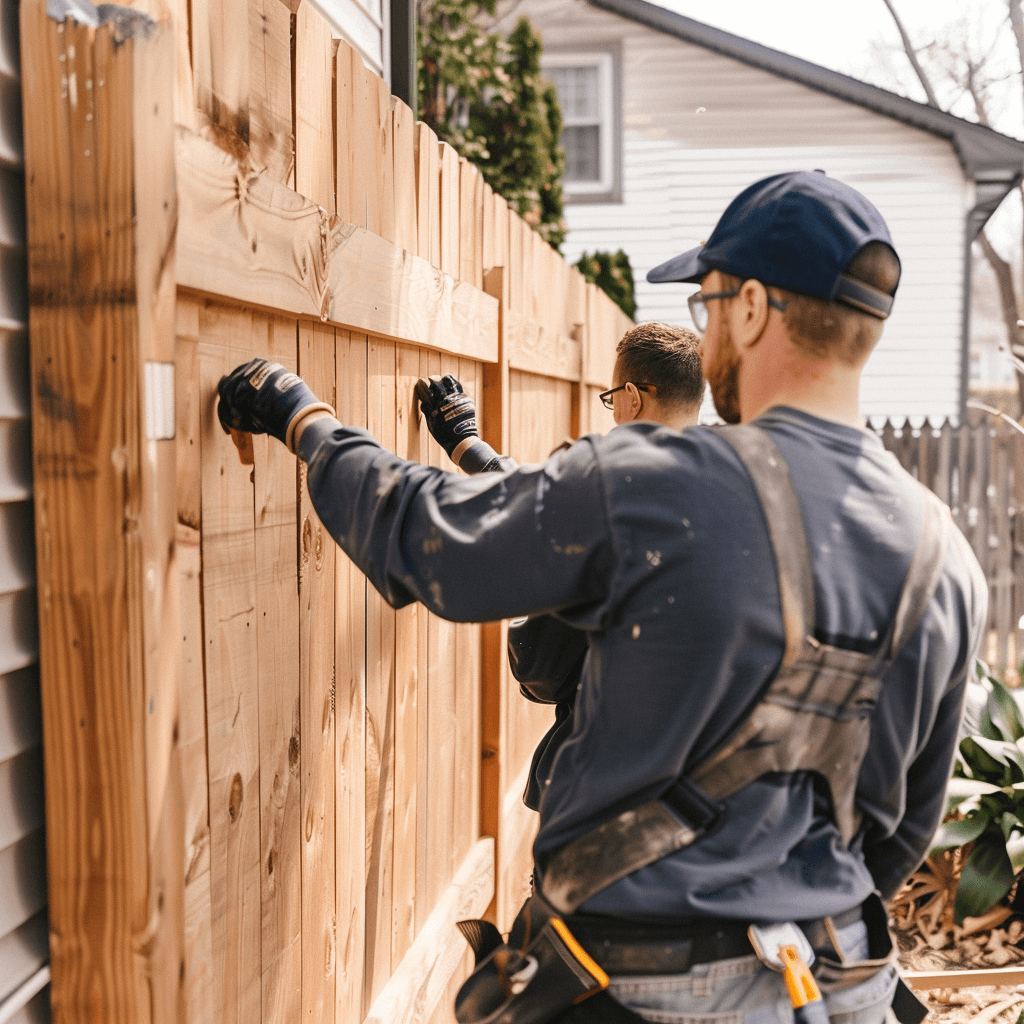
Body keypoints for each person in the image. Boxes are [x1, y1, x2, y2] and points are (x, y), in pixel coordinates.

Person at [217, 170, 987, 1024]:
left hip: (650, 991)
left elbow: (426, 537)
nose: (711, 326)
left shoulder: (656, 485)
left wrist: (303, 417)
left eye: (710, 302)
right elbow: (902, 831)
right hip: (844, 985)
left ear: (756, 308)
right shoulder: (944, 557)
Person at [414, 322, 705, 812]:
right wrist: (471, 448)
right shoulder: (729, 492)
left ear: (632, 398)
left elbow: (541, 671)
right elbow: (555, 507)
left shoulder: (619, 488)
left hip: (600, 802)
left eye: (613, 399)